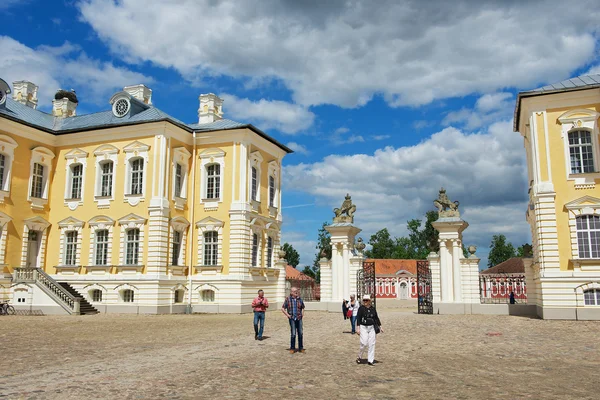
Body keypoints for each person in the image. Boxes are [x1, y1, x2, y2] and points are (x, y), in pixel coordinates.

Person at [356, 294, 383, 366]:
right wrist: (358, 328)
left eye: (366, 300)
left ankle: (370, 360)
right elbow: (358, 318)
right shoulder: (361, 308)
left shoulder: (372, 308)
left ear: (369, 301)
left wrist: (380, 326)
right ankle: (359, 356)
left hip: (371, 327)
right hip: (363, 327)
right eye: (364, 300)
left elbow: (376, 317)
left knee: (372, 343)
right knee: (364, 343)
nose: (365, 301)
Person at [282, 287, 305, 353]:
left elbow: (303, 307)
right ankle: (292, 348)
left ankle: (301, 348)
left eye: (297, 291)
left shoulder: (299, 299)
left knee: (300, 333)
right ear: (291, 292)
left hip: (299, 318)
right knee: (293, 333)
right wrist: (288, 315)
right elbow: (283, 308)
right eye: (295, 291)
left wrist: (302, 314)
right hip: (292, 318)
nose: (296, 292)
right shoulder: (288, 299)